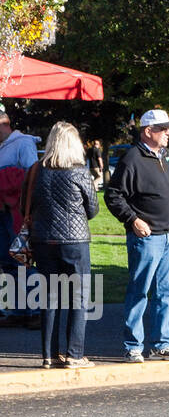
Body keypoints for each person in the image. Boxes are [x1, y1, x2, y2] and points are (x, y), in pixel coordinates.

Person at [104, 109, 169, 362]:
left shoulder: (168, 156)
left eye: (168, 128)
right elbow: (113, 195)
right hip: (146, 237)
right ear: (148, 131)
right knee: (139, 290)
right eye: (163, 129)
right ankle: (133, 346)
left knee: (167, 291)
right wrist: (133, 220)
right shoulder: (132, 159)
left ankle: (162, 343)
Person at [26, 122, 99, 369]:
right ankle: (75, 354)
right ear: (74, 144)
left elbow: (30, 203)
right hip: (74, 242)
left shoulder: (37, 171)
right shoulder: (80, 172)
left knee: (49, 297)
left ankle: (49, 354)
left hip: (43, 240)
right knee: (78, 298)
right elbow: (93, 209)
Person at [0, 111, 41, 328]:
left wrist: (26, 211)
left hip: (17, 213)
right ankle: (18, 309)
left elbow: (32, 176)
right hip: (4, 213)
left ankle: (34, 310)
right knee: (8, 262)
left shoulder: (23, 143)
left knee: (22, 260)